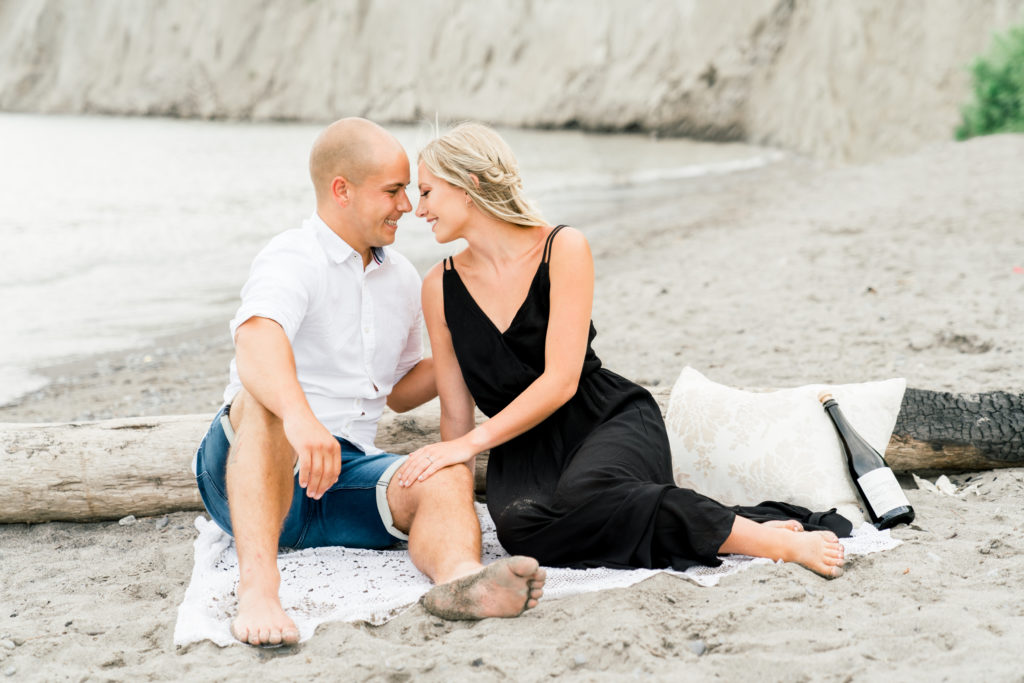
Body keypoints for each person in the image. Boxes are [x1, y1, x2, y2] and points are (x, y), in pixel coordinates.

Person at [395, 122, 850, 580]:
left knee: (592, 493)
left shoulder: (561, 247)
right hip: (524, 453)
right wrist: (454, 495)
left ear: (470, 185)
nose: (419, 209)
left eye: (428, 192)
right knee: (522, 530)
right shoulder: (439, 286)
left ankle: (778, 543)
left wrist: (473, 441)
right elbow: (455, 413)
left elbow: (561, 381)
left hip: (602, 418)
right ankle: (737, 522)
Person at [192, 118, 545, 647]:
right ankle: (260, 589)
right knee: (260, 403)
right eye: (393, 190)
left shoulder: (401, 275)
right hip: (249, 465)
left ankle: (460, 581)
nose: (408, 204)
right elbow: (256, 341)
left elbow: (399, 390)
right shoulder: (293, 255)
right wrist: (300, 418)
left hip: (343, 473)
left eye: (408, 190)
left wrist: (474, 347)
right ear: (342, 190)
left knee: (442, 468)